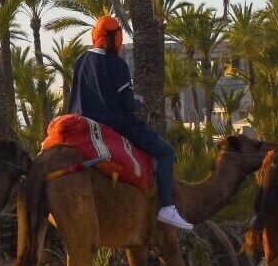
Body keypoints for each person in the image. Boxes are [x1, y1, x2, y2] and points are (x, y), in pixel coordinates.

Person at [65, 14, 190, 232]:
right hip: (115, 125)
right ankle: (167, 207)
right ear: (112, 38)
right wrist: (137, 102)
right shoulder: (117, 64)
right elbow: (126, 103)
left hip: (81, 124)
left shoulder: (81, 61)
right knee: (166, 152)